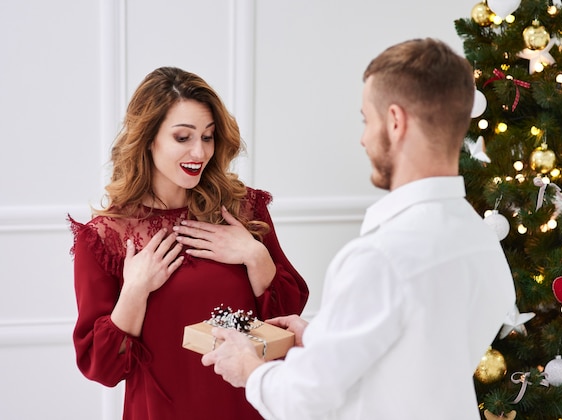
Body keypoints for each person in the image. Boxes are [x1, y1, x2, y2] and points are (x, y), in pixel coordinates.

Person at [201, 38, 516, 419]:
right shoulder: (479, 237)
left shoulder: (381, 258)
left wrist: (249, 368)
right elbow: (423, 350)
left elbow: (304, 400)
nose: (363, 138)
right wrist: (321, 336)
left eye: (367, 120)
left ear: (395, 121)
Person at [68, 66, 309, 420]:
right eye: (183, 138)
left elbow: (284, 323)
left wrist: (255, 256)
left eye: (208, 137)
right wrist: (135, 291)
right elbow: (102, 368)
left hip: (249, 406)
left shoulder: (243, 209)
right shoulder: (107, 238)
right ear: (148, 138)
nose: (200, 151)